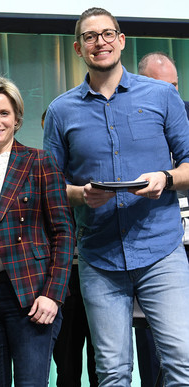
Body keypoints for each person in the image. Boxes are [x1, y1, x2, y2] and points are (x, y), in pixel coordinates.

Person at [43, 7, 189, 385]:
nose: (100, 43)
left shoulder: (161, 96)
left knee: (182, 362)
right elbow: (50, 186)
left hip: (162, 251)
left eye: (107, 34)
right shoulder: (61, 111)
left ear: (121, 40)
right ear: (78, 48)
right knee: (111, 372)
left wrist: (166, 178)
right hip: (99, 257)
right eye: (90, 37)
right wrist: (79, 194)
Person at [0, 74, 73, 386]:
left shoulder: (39, 162)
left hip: (30, 297)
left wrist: (53, 295)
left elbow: (63, 232)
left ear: (17, 118)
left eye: (4, 113)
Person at [134, 51, 189, 387]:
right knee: (154, 352)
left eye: (176, 86)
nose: (172, 95)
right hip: (158, 253)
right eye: (162, 87)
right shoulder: (133, 131)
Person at [41, 110, 98, 387]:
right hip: (62, 280)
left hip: (98, 272)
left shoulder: (92, 173)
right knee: (66, 364)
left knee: (103, 363)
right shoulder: (43, 176)